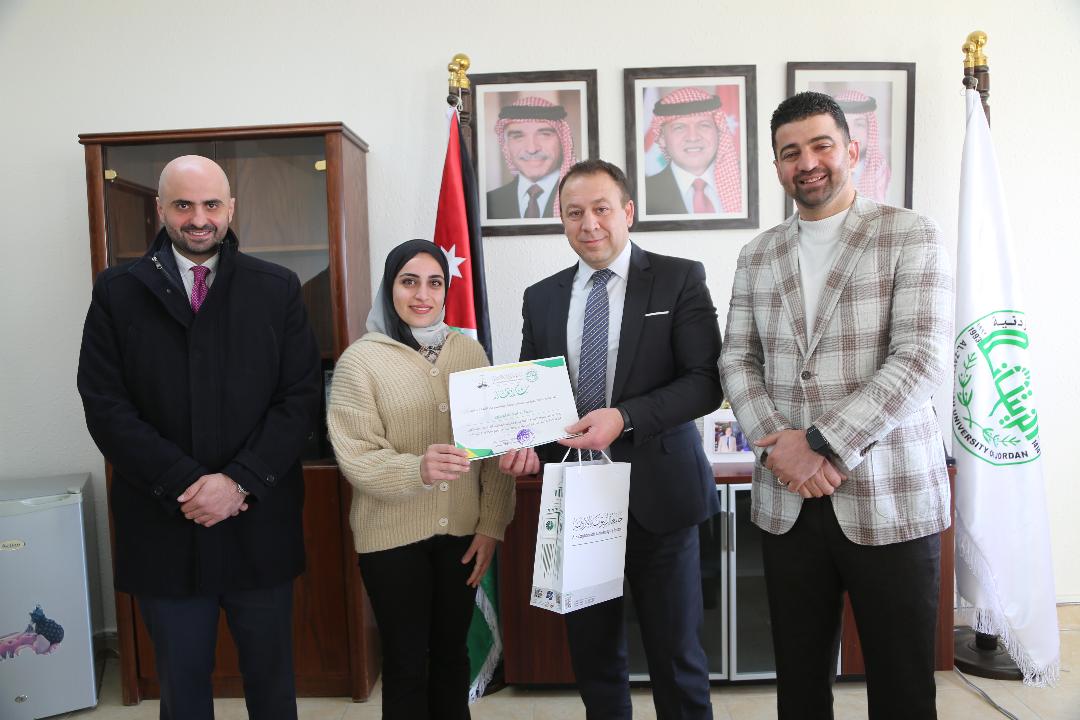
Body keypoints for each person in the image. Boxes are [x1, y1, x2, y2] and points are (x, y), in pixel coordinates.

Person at [720, 91, 953, 719]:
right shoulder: (757, 254)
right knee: (798, 686)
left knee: (903, 689)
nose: (808, 162)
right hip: (788, 502)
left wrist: (819, 444)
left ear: (851, 150)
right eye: (790, 152)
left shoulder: (910, 233)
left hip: (891, 494)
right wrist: (783, 450)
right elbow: (736, 360)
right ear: (776, 166)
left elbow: (921, 358)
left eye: (821, 145)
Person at [77, 155, 321, 720]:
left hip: (257, 523)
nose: (198, 218)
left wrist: (237, 483)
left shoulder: (276, 287)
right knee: (181, 690)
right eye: (183, 205)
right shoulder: (117, 290)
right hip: (164, 527)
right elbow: (105, 405)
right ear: (160, 209)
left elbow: (300, 398)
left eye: (211, 204)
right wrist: (187, 483)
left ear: (230, 208)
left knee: (272, 686)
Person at [505, 159, 722, 719]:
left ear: (627, 211)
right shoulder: (541, 297)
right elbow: (536, 393)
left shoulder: (678, 278)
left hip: (661, 495)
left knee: (677, 657)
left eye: (601, 209)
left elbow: (705, 382)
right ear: (561, 219)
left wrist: (623, 418)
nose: (589, 224)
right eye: (574, 212)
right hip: (577, 499)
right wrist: (523, 442)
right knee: (594, 657)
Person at [326, 239, 517, 720]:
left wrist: (491, 525)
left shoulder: (469, 352)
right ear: (389, 288)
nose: (422, 295)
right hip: (390, 541)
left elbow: (494, 449)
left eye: (435, 283)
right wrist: (417, 469)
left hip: (462, 536)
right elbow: (357, 457)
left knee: (452, 657)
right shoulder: (359, 361)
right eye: (408, 281)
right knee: (407, 664)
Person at [644, 87, 742, 216]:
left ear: (719, 131)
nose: (693, 137)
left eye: (703, 125)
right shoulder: (644, 193)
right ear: (661, 138)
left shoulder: (746, 184)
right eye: (679, 127)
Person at [486, 96, 575, 219]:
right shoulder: (488, 203)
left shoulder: (580, 196)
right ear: (506, 145)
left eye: (544, 134)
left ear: (562, 141)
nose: (532, 149)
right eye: (518, 136)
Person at [835, 89, 891, 202]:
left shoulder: (880, 170)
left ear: (870, 129)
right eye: (844, 124)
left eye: (859, 124)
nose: (851, 133)